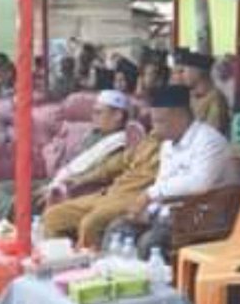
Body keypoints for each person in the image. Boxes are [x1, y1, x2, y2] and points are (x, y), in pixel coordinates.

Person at [0, 89, 133, 221]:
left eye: (99, 112)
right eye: (93, 112)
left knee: (20, 201)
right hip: (57, 179)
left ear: (118, 115)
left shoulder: (118, 144)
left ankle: (13, 219)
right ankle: (10, 218)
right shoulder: (94, 134)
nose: (93, 116)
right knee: (0, 189)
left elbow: (99, 175)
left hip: (73, 188)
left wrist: (60, 185)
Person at [130, 84, 238, 256]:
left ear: (180, 117)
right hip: (173, 215)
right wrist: (146, 211)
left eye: (160, 121)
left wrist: (150, 194)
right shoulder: (167, 144)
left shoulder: (210, 141)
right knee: (121, 229)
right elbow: (163, 182)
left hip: (205, 217)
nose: (154, 129)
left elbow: (200, 183)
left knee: (149, 244)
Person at [40, 106, 165, 249]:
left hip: (134, 198)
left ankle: (88, 261)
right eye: (155, 120)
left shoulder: (175, 149)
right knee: (54, 216)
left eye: (161, 120)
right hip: (110, 193)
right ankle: (60, 257)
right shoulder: (148, 142)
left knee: (91, 223)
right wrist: (82, 178)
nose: (156, 124)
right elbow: (115, 164)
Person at [175, 49, 230, 135]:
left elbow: (211, 134)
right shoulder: (188, 96)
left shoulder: (216, 99)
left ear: (198, 72)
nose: (182, 75)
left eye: (184, 71)